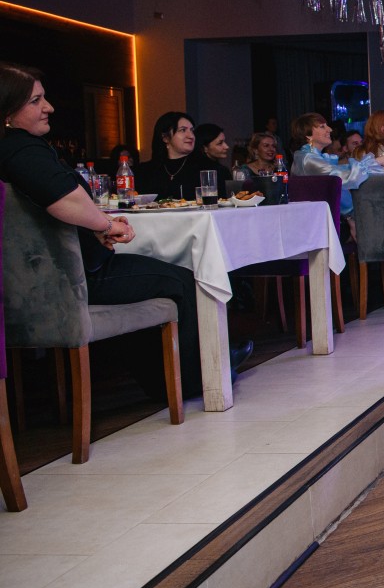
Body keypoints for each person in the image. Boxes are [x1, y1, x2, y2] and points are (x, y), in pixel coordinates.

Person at [0, 63, 251, 399]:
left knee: (155, 275)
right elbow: (63, 199)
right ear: (8, 112)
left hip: (34, 282)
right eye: (36, 101)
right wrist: (106, 225)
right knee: (185, 279)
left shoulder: (13, 149)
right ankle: (196, 378)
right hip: (74, 278)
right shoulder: (23, 149)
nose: (49, 107)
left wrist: (94, 229)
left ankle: (168, 377)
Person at [290, 113, 370, 217]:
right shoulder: (308, 159)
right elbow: (342, 176)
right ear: (308, 135)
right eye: (322, 126)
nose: (330, 129)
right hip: (314, 218)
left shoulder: (309, 156)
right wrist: (375, 162)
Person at [135, 112, 202, 201]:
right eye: (183, 130)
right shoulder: (144, 171)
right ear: (165, 138)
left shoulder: (206, 168)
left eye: (192, 130)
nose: (191, 136)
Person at [194, 123, 233, 189]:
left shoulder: (222, 170)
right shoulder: (221, 171)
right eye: (220, 143)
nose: (227, 146)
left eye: (224, 142)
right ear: (205, 148)